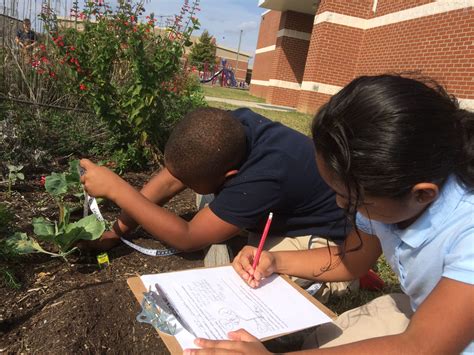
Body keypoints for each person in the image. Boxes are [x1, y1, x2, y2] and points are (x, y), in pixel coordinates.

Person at [185, 75, 474, 354]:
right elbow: (351, 260)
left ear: (422, 194)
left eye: (350, 199)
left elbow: (422, 346)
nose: (339, 204)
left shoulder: (467, 235)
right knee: (323, 341)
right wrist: (276, 260)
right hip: (424, 314)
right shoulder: (390, 195)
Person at [80, 107, 354, 295]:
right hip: (280, 201)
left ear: (230, 176)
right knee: (207, 194)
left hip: (326, 240)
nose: (182, 184)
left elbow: (188, 237)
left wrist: (118, 189)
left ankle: (334, 287)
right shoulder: (229, 127)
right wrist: (116, 232)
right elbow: (170, 179)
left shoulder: (263, 176)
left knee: (252, 285)